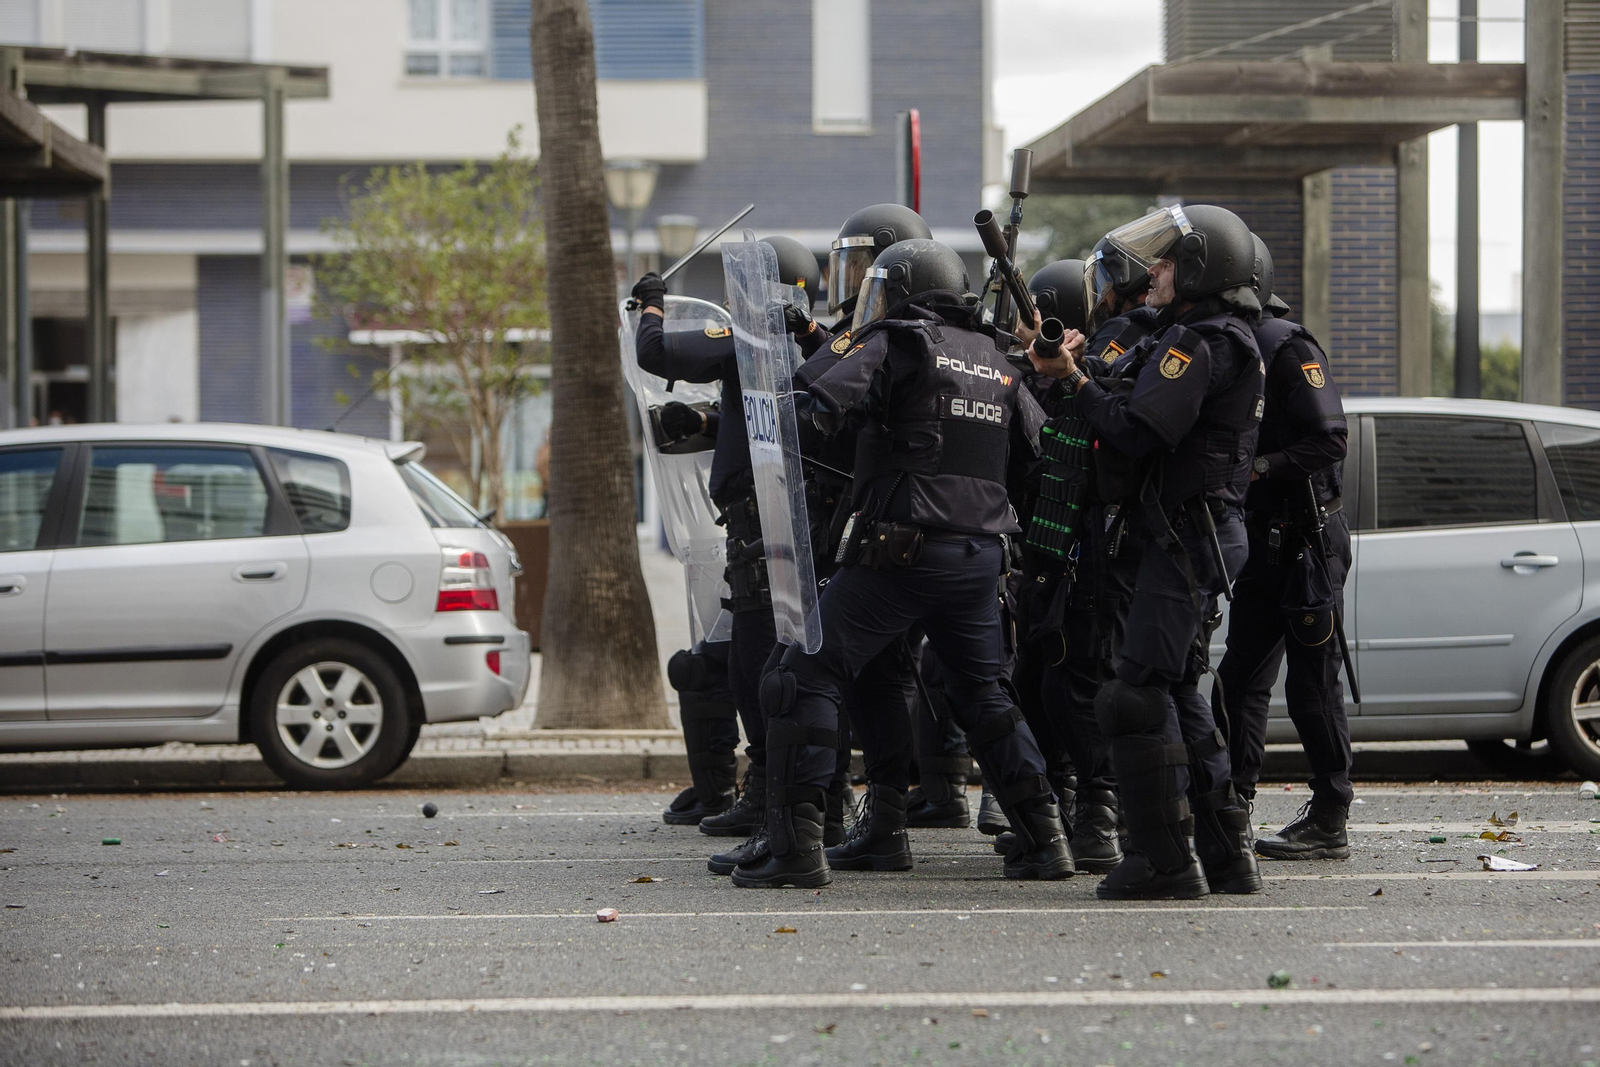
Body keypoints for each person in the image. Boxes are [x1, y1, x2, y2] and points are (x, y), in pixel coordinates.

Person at [732, 238, 1073, 888]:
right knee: (983, 694)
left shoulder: (899, 338)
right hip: (980, 557)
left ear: (906, 290)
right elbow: (1039, 451)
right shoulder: (995, 355)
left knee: (802, 673)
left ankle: (797, 848)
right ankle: (1044, 837)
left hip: (900, 548)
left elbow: (818, 407)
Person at [1028, 204, 1265, 900]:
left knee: (1132, 696)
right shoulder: (1194, 335)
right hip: (1187, 533)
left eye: (1165, 261)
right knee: (1175, 694)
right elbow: (1121, 393)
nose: (1152, 272)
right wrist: (1070, 367)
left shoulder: (1202, 342)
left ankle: (1162, 860)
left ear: (1198, 268)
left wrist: (1073, 381)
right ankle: (1225, 855)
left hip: (1184, 537)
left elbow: (1136, 430)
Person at [630, 235, 821, 836]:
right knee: (731, 666)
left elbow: (657, 354)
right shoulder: (809, 349)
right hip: (768, 528)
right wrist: (711, 422)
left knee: (758, 670)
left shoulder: (754, 337)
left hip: (763, 533)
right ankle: (743, 789)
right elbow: (773, 424)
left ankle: (778, 802)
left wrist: (651, 303)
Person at [1215, 234, 1354, 860]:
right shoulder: (1227, 342)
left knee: (1311, 685)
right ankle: (1232, 805)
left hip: (1305, 546)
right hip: (1261, 544)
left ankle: (1330, 816)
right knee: (1238, 677)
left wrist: (1258, 469)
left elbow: (1330, 439)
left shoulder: (1287, 345)